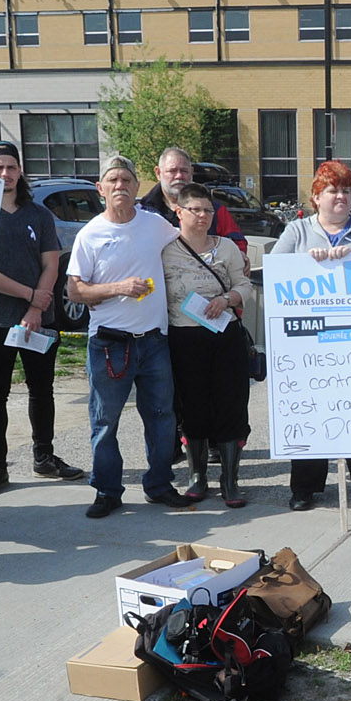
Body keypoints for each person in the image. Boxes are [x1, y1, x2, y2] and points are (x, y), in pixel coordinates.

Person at [66, 155, 190, 517]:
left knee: (161, 417)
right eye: (113, 180)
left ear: (138, 187)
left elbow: (191, 243)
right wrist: (118, 288)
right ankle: (107, 490)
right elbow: (75, 292)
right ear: (100, 189)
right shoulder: (90, 235)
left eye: (126, 180)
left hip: (154, 341)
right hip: (109, 343)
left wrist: (230, 254)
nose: (120, 185)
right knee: (105, 422)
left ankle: (159, 484)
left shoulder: (155, 225)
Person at [271, 160, 351, 512]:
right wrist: (309, 263)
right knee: (310, 411)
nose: (340, 196)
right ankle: (305, 487)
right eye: (332, 191)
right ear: (316, 197)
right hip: (308, 343)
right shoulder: (297, 232)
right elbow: (276, 272)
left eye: (345, 190)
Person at [0, 142, 84, 497]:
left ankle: (44, 457)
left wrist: (36, 307)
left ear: (20, 172)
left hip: (40, 318)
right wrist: (27, 295)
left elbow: (51, 263)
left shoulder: (38, 214)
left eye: (11, 168)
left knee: (42, 390)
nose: (5, 174)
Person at [159, 182, 256, 506]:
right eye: (195, 210)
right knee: (192, 407)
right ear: (179, 212)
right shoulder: (164, 248)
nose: (202, 216)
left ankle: (230, 480)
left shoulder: (226, 247)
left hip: (223, 334)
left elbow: (245, 284)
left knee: (230, 405)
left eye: (207, 211)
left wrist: (227, 298)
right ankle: (197, 476)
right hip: (184, 337)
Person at [141, 146, 248, 254]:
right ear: (158, 173)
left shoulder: (214, 210)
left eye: (184, 170)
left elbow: (239, 246)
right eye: (172, 171)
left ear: (191, 172)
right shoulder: (143, 212)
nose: (179, 176)